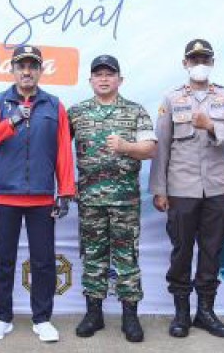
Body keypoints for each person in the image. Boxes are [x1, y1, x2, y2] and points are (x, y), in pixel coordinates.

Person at [149, 39, 224, 339]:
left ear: (212, 62)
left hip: (216, 188)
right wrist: (159, 189)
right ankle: (181, 313)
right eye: (194, 59)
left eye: (205, 58)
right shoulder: (172, 98)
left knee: (212, 250)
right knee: (180, 251)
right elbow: (161, 146)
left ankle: (205, 312)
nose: (199, 63)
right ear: (185, 64)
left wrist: (212, 126)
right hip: (181, 188)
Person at [0, 45, 76, 344]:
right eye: (21, 66)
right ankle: (1, 318)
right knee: (3, 260)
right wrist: (12, 121)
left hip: (41, 198)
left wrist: (66, 191)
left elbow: (63, 151)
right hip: (5, 197)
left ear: (40, 71)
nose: (26, 71)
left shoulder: (54, 105)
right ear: (12, 70)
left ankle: (42, 319)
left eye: (32, 66)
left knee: (44, 261)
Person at [68, 55, 156, 343]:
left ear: (120, 79)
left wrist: (125, 146)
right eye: (98, 74)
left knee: (126, 258)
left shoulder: (135, 112)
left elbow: (149, 149)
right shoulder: (77, 113)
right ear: (90, 80)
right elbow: (57, 149)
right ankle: (94, 314)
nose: (104, 79)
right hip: (90, 201)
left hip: (125, 201)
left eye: (110, 74)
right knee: (93, 257)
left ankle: (130, 316)